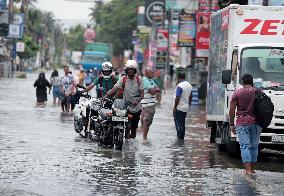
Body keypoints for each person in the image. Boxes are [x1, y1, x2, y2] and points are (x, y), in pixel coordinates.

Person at [229, 74, 262, 176]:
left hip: (242, 122)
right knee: (254, 146)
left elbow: (232, 109)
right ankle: (252, 170)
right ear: (252, 82)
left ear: (242, 82)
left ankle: (247, 171)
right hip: (256, 122)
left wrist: (231, 124)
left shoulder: (237, 92)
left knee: (245, 146)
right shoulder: (258, 91)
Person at [104, 60, 144, 139]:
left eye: (132, 69)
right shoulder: (123, 79)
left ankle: (131, 143)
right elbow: (114, 88)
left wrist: (137, 101)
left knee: (133, 128)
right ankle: (126, 141)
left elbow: (142, 93)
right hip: (127, 107)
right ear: (126, 70)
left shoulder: (139, 80)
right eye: (129, 69)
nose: (131, 71)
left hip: (137, 108)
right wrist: (106, 96)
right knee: (128, 126)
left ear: (135, 70)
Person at [141, 67, 160, 140]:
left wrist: (154, 90)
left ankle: (144, 136)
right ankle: (144, 138)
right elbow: (152, 92)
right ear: (146, 73)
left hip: (151, 104)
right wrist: (155, 90)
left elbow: (157, 88)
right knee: (147, 121)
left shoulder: (151, 80)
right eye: (151, 73)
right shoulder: (144, 80)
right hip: (147, 104)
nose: (153, 74)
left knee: (148, 122)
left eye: (153, 72)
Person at [173, 73, 192, 140]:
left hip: (179, 107)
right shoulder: (189, 85)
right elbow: (190, 97)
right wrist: (188, 105)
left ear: (178, 78)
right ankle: (182, 139)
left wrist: (175, 107)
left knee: (178, 124)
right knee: (182, 124)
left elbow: (177, 97)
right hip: (185, 108)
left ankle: (180, 140)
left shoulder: (180, 86)